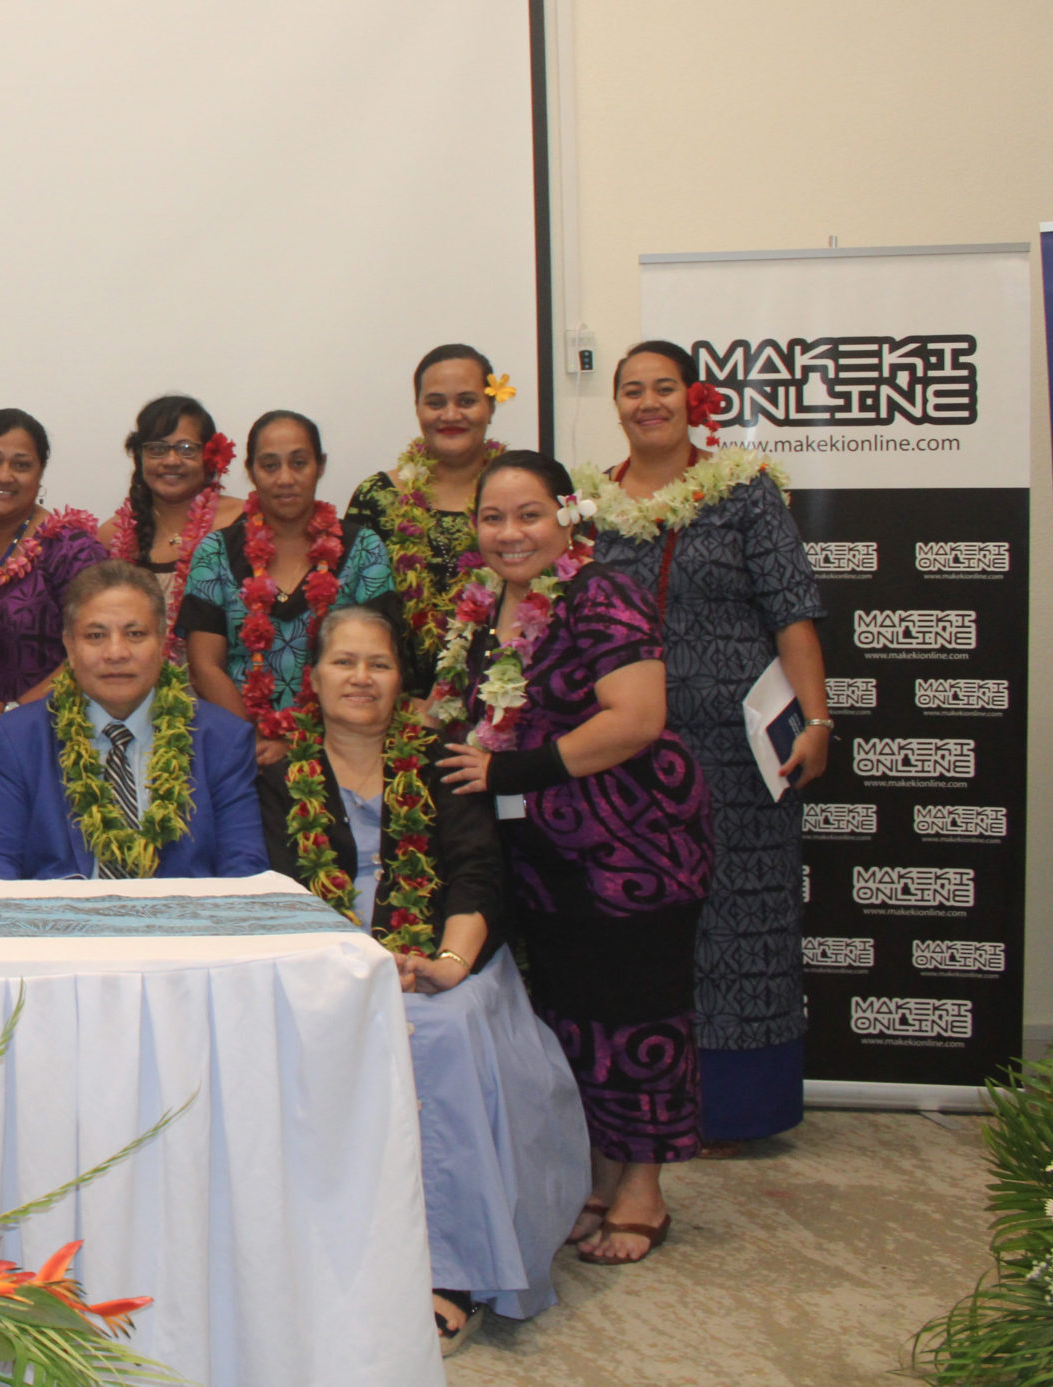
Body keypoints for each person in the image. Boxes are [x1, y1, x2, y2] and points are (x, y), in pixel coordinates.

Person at [256, 606, 587, 1351]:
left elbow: (478, 874)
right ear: (313, 678)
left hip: (450, 959)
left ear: (403, 681)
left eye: (378, 662)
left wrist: (445, 965)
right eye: (343, 661)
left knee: (437, 1032)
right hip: (328, 960)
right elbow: (282, 888)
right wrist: (363, 967)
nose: (361, 677)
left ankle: (448, 1270)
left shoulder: (444, 763)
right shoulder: (277, 777)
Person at [433, 450, 712, 1268]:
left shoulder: (603, 592)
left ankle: (644, 1190)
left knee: (637, 1014)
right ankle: (596, 1175)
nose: (510, 533)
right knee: (572, 1020)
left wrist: (509, 772)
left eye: (529, 515)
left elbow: (636, 717)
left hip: (636, 847)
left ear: (567, 516)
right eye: (493, 517)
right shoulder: (483, 607)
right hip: (544, 857)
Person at [575, 340, 830, 1156]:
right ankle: (648, 1103)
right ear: (614, 404)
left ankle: (737, 1110)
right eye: (631, 390)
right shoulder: (590, 506)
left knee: (740, 925)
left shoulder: (744, 493)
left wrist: (818, 721)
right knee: (646, 927)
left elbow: (792, 612)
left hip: (735, 750)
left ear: (693, 398)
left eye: (663, 388)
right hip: (626, 757)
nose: (647, 402)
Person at [0, 560, 268, 880]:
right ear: (69, 644)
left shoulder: (222, 739)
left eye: (135, 634)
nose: (116, 652)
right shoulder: (19, 737)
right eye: (96, 635)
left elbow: (244, 869)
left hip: (183, 925)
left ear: (163, 640)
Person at [181, 409, 395, 762]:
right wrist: (251, 742)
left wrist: (304, 745)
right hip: (240, 751)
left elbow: (377, 663)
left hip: (343, 749)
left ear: (320, 465)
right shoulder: (215, 552)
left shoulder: (364, 549)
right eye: (270, 466)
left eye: (299, 463)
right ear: (250, 471)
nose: (285, 479)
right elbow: (205, 665)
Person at [346, 344, 515, 694]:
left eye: (466, 401)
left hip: (501, 695)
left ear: (491, 406)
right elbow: (349, 615)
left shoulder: (519, 495)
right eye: (435, 403)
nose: (450, 415)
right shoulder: (376, 497)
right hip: (393, 703)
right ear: (418, 408)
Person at [0, 407, 107, 724]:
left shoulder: (71, 549)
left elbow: (98, 645)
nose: (4, 475)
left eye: (21, 465)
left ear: (40, 474)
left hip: (48, 731)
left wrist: (15, 711)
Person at [97, 394, 242, 628]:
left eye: (186, 449)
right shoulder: (110, 536)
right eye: (157, 448)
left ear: (210, 456)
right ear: (139, 457)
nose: (172, 460)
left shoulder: (242, 524)